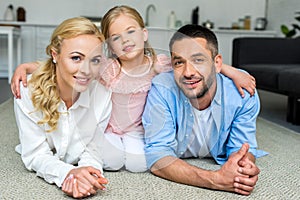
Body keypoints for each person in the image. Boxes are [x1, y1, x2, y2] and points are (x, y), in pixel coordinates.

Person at [11, 5, 256, 173]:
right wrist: (28, 66)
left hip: (137, 129)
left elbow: (194, 62)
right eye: (116, 37)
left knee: (141, 163)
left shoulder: (160, 64)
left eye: (131, 32)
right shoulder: (107, 66)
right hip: (108, 127)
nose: (125, 40)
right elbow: (73, 62)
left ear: (144, 34)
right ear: (109, 45)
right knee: (111, 160)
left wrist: (232, 71)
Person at [142, 24, 268, 196]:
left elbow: (242, 147)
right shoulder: (162, 89)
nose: (188, 72)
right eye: (179, 62)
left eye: (198, 60)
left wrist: (242, 167)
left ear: (217, 64)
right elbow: (157, 156)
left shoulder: (242, 94)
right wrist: (215, 179)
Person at [13, 17, 112, 198]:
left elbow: (93, 150)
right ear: (55, 55)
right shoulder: (27, 91)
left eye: (95, 60)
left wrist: (88, 176)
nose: (86, 70)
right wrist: (67, 174)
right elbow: (35, 155)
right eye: (76, 58)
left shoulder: (103, 96)